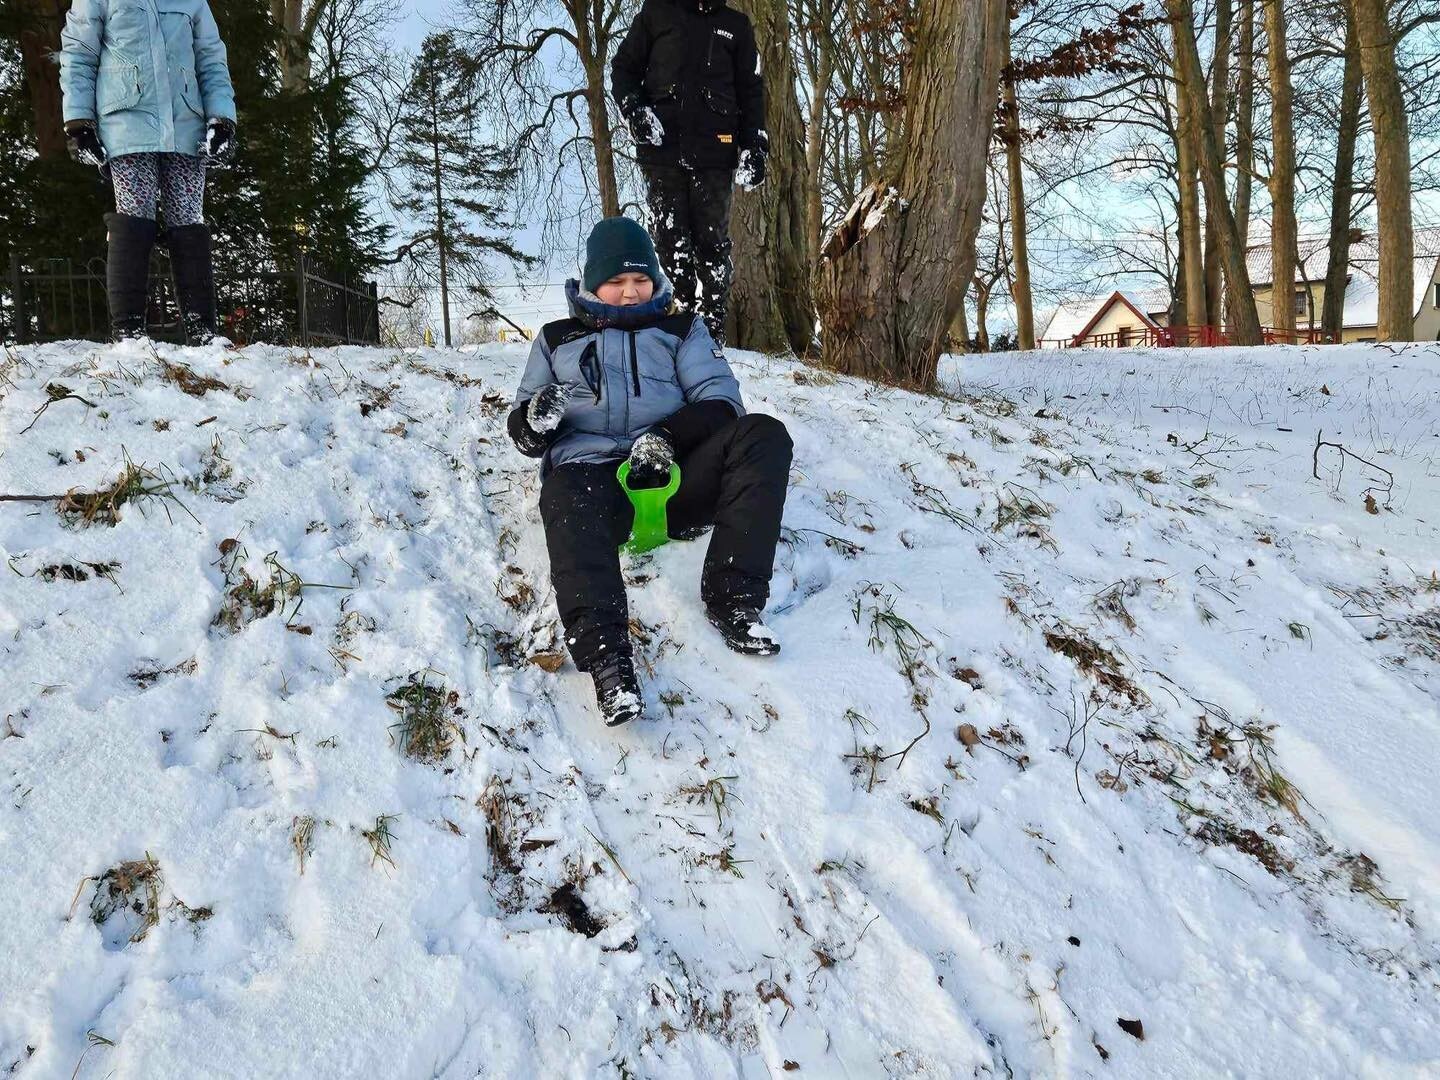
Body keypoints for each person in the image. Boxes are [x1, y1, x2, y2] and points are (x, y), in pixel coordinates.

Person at [509, 217, 792, 726]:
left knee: (762, 434)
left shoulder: (681, 331)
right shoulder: (555, 340)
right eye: (616, 281)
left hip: (675, 478)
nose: (629, 292)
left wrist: (665, 437)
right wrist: (536, 419)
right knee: (564, 487)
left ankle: (735, 599)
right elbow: (526, 434)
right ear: (592, 282)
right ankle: (608, 660)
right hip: (595, 492)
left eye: (640, 280)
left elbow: (722, 403)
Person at [59, 0, 238, 344]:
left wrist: (221, 118)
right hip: (126, 124)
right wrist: (80, 122)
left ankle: (203, 333)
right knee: (134, 215)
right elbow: (79, 53)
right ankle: (129, 333)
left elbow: (211, 58)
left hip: (186, 126)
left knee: (188, 219)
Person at [610, 0, 767, 346]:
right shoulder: (656, 13)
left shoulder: (736, 25)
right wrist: (635, 111)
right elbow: (622, 69)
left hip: (716, 153)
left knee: (713, 244)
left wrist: (755, 145)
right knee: (670, 240)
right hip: (662, 149)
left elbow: (751, 91)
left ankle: (712, 333)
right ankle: (675, 321)